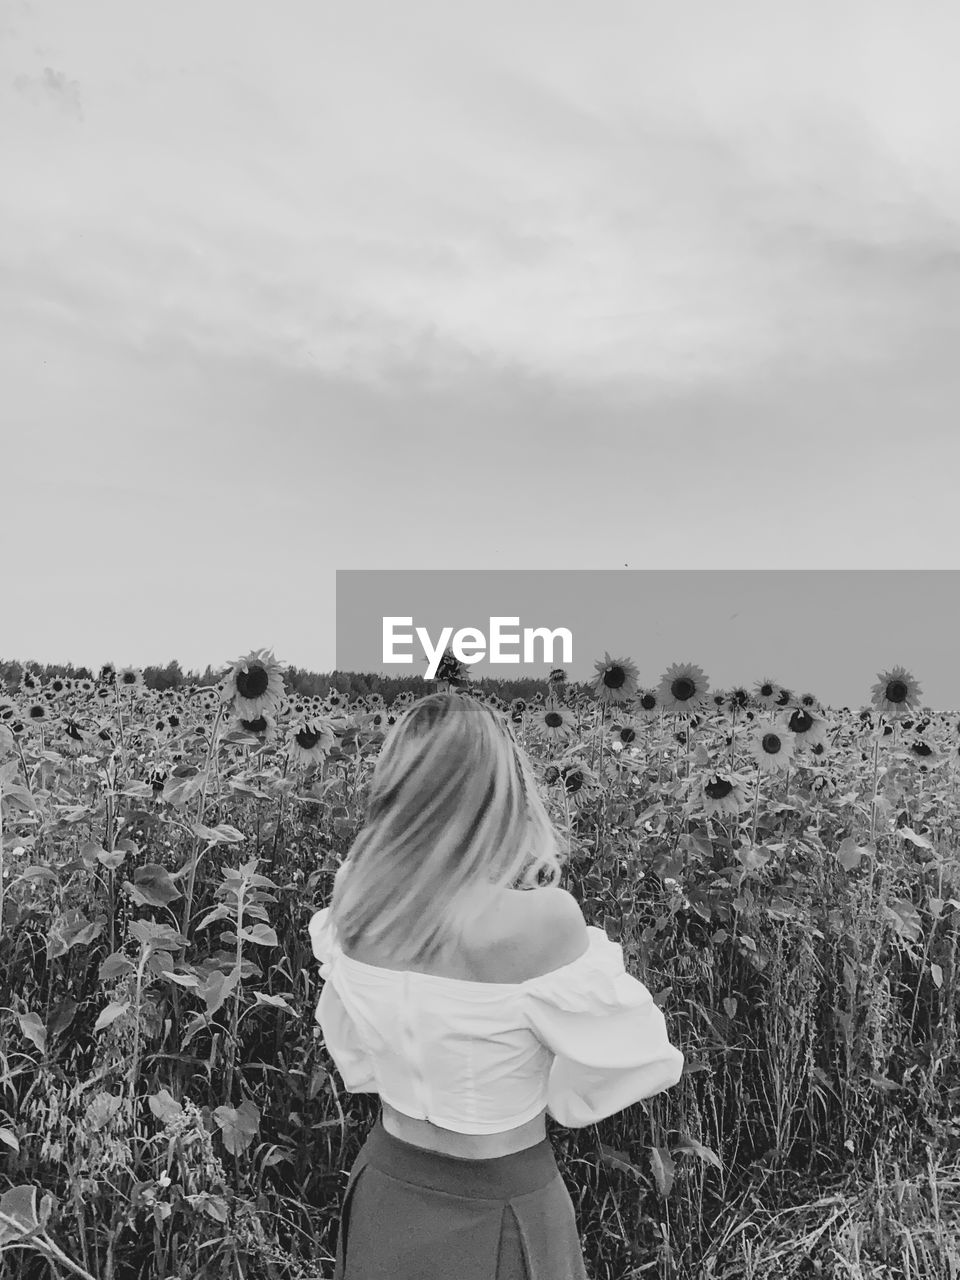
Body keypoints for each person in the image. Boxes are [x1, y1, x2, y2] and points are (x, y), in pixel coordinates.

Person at [307, 691, 684, 1279]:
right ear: (500, 787)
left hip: (387, 1189)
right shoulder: (542, 921)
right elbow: (634, 1060)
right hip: (505, 1197)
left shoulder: (354, 909)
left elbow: (356, 1055)